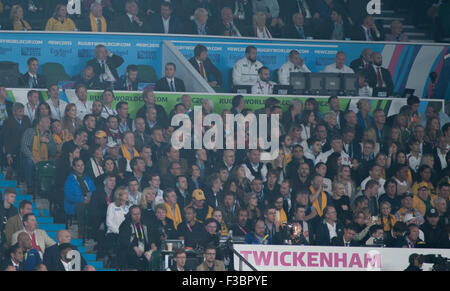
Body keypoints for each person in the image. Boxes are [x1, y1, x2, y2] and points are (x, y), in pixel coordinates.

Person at [20, 115, 57, 192]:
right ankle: (30, 186)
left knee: (53, 163)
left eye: (49, 123)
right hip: (31, 159)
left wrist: (48, 142)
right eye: (47, 122)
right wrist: (33, 158)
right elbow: (24, 147)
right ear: (40, 123)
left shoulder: (49, 135)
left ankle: (46, 188)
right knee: (29, 162)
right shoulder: (29, 131)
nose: (49, 124)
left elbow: (53, 152)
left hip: (43, 161)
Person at [64, 158, 96, 238]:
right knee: (81, 206)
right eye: (78, 166)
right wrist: (83, 200)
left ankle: (93, 231)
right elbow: (69, 196)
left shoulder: (87, 178)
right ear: (74, 167)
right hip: (73, 204)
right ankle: (81, 233)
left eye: (82, 165)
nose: (81, 167)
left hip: (89, 202)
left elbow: (94, 191)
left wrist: (89, 198)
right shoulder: (70, 180)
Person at [118, 205, 158, 270]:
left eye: (139, 214)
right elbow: (123, 240)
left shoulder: (144, 223)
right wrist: (134, 247)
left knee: (155, 254)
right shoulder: (125, 225)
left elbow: (151, 235)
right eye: (134, 214)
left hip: (145, 249)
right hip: (131, 249)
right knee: (132, 254)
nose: (137, 216)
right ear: (130, 214)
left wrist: (152, 244)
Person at [2, 102, 31, 174]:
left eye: (23, 111)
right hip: (15, 150)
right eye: (20, 111)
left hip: (27, 148)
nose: (22, 113)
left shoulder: (26, 119)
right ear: (14, 112)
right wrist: (8, 155)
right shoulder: (8, 121)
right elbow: (6, 140)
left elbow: (31, 134)